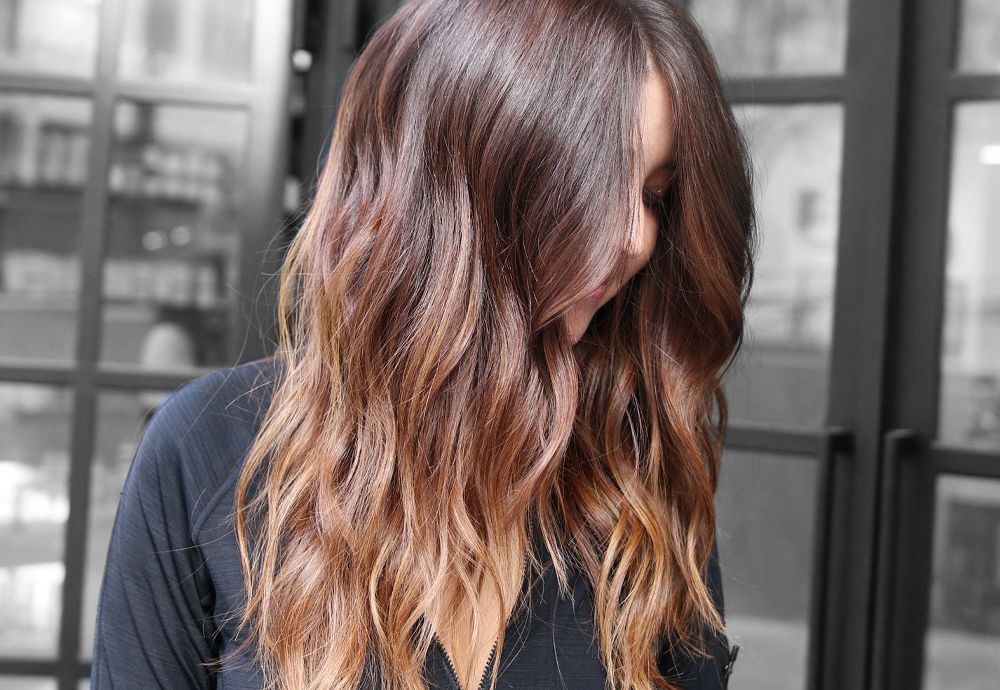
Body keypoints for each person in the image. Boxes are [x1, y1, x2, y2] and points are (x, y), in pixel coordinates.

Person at [90, 0, 756, 688]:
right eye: (597, 184)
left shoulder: (637, 469)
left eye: (653, 195)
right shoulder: (210, 453)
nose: (635, 237)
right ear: (462, 181)